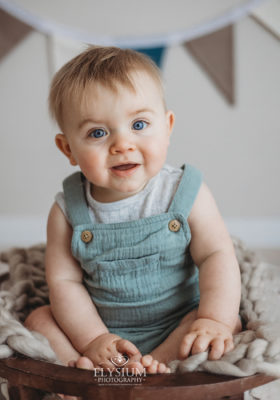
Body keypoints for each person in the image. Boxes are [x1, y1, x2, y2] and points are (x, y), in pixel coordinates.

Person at [25, 46, 242, 375]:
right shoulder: (67, 211)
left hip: (177, 320)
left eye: (139, 124)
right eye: (98, 133)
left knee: (227, 322)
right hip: (99, 327)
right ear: (68, 148)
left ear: (167, 127)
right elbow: (65, 283)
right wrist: (95, 338)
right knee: (38, 318)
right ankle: (82, 373)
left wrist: (214, 319)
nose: (122, 144)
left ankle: (156, 365)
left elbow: (216, 255)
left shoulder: (185, 192)